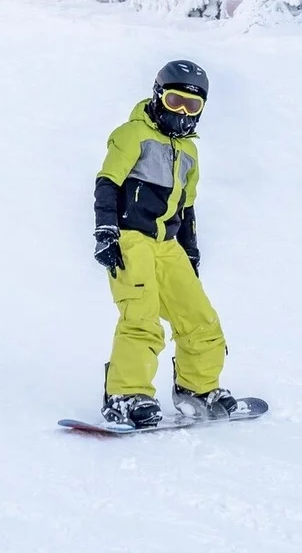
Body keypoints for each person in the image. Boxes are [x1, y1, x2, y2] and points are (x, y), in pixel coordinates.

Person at [92, 60, 239, 428]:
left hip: (168, 244)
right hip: (131, 238)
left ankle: (198, 388)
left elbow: (186, 205)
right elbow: (107, 182)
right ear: (158, 97)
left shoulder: (190, 152)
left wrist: (189, 249)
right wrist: (106, 230)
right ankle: (126, 395)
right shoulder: (132, 134)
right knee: (141, 318)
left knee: (200, 319)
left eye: (192, 106)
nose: (182, 113)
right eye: (175, 101)